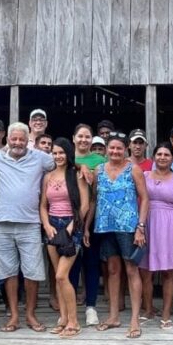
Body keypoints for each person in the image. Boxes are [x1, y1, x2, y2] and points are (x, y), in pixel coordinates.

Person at [0, 122, 55, 332]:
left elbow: (63, 160)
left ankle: (30, 315)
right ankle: (14, 316)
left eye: (21, 140)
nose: (17, 143)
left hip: (30, 223)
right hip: (3, 223)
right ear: (7, 139)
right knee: (9, 272)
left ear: (28, 141)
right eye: (14, 139)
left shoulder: (40, 157)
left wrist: (83, 169)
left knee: (32, 271)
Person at [93, 135, 149, 339]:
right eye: (112, 148)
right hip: (106, 226)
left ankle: (134, 319)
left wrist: (140, 227)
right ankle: (113, 316)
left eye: (119, 148)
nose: (115, 152)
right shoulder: (99, 170)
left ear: (125, 149)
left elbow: (144, 198)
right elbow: (93, 198)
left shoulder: (133, 169)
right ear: (106, 149)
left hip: (128, 226)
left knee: (132, 269)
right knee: (113, 270)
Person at [40, 138, 90, 338]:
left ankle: (74, 321)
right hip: (52, 227)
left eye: (61, 153)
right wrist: (46, 225)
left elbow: (84, 205)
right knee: (58, 278)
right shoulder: (48, 177)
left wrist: (71, 227)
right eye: (55, 153)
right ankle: (62, 318)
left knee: (62, 275)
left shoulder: (77, 175)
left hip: (72, 226)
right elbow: (43, 205)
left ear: (68, 154)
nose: (58, 156)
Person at [138, 143, 173, 329]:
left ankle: (166, 314)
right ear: (153, 157)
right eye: (159, 154)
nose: (162, 157)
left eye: (167, 154)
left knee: (169, 273)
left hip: (171, 224)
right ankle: (148, 309)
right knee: (146, 272)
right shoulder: (143, 176)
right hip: (148, 221)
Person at [72, 123, 105, 327]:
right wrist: (79, 166)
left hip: (93, 218)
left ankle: (91, 307)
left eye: (87, 137)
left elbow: (97, 194)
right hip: (68, 219)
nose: (84, 140)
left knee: (91, 264)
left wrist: (86, 225)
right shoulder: (66, 157)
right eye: (80, 136)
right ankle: (70, 308)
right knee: (71, 265)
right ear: (73, 137)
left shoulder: (101, 160)